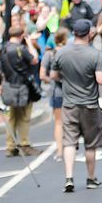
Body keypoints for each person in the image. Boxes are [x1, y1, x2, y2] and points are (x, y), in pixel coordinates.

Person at [53, 19, 102, 192]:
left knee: (69, 141)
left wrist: (67, 80)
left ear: (74, 33)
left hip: (69, 103)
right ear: (89, 34)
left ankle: (69, 178)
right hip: (89, 104)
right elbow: (100, 79)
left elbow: (54, 75)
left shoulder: (62, 53)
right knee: (90, 144)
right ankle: (90, 178)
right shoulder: (94, 54)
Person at [0, 25, 42, 157]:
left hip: (9, 85)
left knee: (12, 117)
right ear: (21, 35)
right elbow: (34, 59)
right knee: (24, 117)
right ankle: (24, 144)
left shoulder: (4, 49)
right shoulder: (20, 49)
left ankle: (10, 146)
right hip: (22, 86)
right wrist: (30, 43)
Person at [40, 27, 69, 160]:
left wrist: (51, 80)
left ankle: (59, 152)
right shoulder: (68, 53)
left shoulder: (49, 54)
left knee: (58, 122)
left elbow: (42, 75)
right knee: (70, 122)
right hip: (70, 92)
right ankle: (69, 148)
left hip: (56, 92)